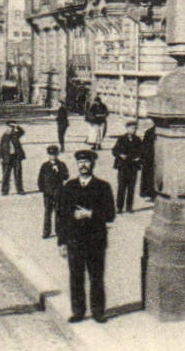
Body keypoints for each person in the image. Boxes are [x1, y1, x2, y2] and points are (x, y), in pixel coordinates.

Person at [55, 148, 115, 323]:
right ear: (76, 165)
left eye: (86, 162)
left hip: (95, 240)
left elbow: (110, 213)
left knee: (96, 277)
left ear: (93, 164)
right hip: (75, 240)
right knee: (76, 277)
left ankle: (98, 311)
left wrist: (91, 214)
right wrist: (62, 242)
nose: (83, 165)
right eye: (80, 162)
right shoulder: (69, 187)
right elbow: (61, 216)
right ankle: (78, 311)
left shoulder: (103, 187)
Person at [110, 120, 143, 213]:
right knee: (121, 187)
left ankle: (129, 207)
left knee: (131, 188)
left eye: (135, 128)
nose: (133, 130)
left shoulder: (138, 140)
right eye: (132, 128)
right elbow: (114, 150)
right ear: (127, 128)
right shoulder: (121, 139)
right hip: (123, 166)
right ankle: (119, 207)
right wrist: (120, 155)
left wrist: (139, 158)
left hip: (133, 166)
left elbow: (142, 152)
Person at [37, 145, 68, 239]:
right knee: (47, 213)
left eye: (54, 154)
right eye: (51, 155)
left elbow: (66, 176)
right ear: (48, 155)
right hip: (48, 194)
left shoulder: (61, 165)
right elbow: (40, 179)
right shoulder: (45, 166)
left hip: (58, 193)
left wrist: (59, 172)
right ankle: (46, 231)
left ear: (57, 154)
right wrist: (43, 190)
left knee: (58, 212)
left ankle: (59, 231)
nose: (53, 157)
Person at [0, 122, 27, 196]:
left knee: (18, 174)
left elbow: (22, 132)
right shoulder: (4, 136)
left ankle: (20, 190)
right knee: (6, 175)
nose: (10, 130)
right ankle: (4, 190)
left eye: (12, 128)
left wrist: (17, 126)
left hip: (16, 157)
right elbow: (1, 147)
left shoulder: (16, 135)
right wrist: (0, 157)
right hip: (7, 158)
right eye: (8, 128)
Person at [138, 119, 157, 204]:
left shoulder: (150, 132)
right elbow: (144, 147)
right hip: (150, 158)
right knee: (150, 177)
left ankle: (153, 194)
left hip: (154, 157)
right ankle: (150, 194)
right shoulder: (149, 132)